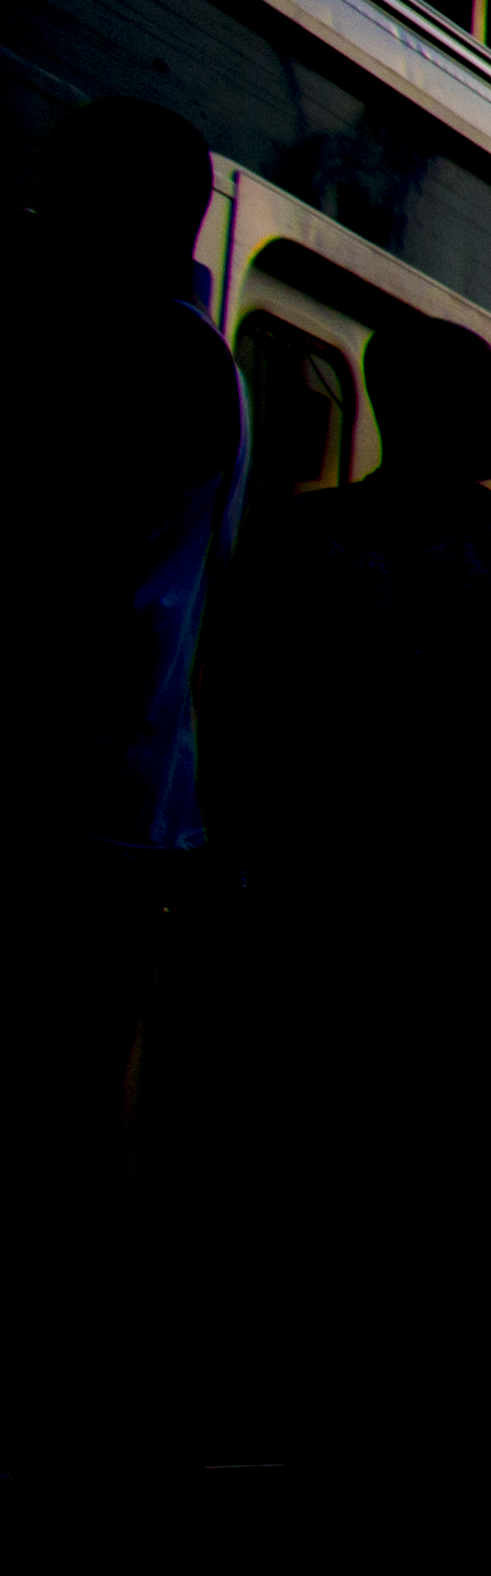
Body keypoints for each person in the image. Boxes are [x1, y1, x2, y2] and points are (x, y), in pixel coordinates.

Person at [218, 308, 491, 1469]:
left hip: (337, 929)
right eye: (477, 398)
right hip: (470, 944)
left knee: (334, 1187)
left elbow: (242, 732)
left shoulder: (302, 543)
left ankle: (324, 1404)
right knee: (443, 1202)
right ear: (418, 407)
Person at [10, 100, 243, 1485]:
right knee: (64, 1100)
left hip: (75, 804)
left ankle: (51, 1389)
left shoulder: (128, 354)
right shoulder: (185, 359)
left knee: (47, 1102)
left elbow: (63, 572)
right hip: (119, 812)